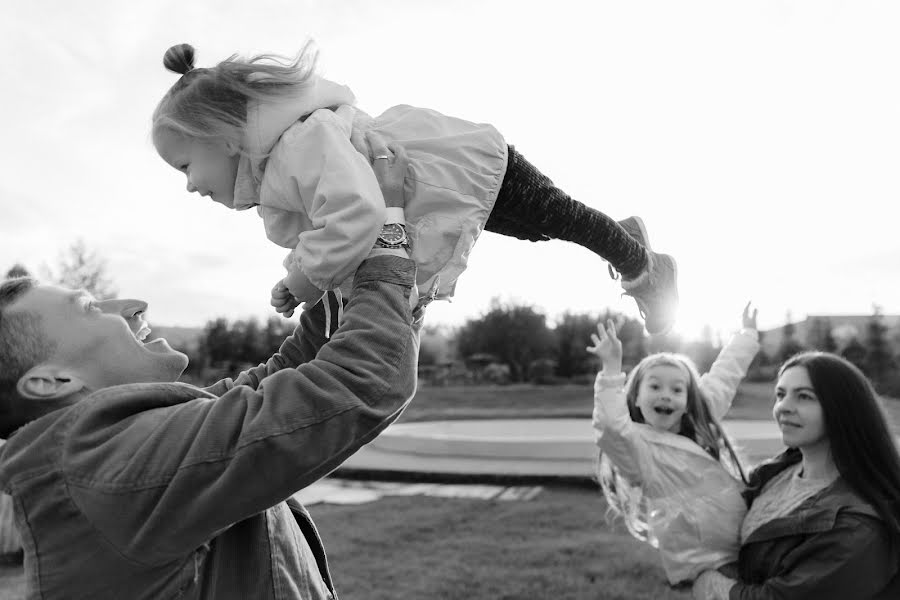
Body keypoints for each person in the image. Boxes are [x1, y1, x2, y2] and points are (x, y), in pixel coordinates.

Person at [0, 159, 421, 597]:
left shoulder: (122, 443)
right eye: (89, 308)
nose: (134, 305)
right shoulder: (110, 468)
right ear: (52, 382)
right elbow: (361, 381)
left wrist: (334, 271)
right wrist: (389, 232)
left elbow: (281, 379)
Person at [151, 42, 679, 335]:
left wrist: (304, 278)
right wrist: (307, 276)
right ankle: (626, 237)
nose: (191, 187)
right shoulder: (282, 164)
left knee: (558, 218)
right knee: (542, 230)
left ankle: (643, 264)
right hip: (450, 183)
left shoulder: (297, 146)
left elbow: (354, 216)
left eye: (184, 167)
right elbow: (340, 224)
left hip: (462, 165)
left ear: (219, 137)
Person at [692, 352, 900, 600]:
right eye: (780, 394)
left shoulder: (857, 527)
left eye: (804, 396)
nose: (784, 407)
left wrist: (709, 583)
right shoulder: (775, 472)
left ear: (843, 408)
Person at [589, 303, 760, 585]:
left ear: (688, 398)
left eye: (677, 389)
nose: (666, 395)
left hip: (741, 537)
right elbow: (609, 426)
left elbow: (724, 377)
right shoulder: (637, 448)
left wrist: (746, 336)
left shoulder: (698, 417)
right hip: (704, 559)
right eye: (655, 387)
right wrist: (610, 370)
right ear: (635, 398)